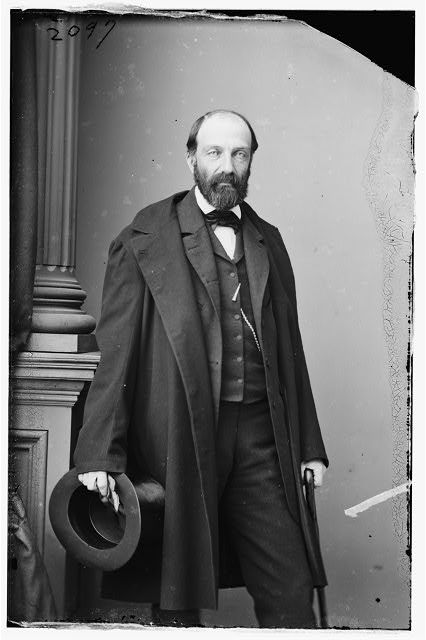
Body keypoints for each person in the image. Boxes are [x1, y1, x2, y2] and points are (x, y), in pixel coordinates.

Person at [74, 109, 329, 628]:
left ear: (251, 161)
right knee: (175, 597)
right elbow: (115, 355)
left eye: (239, 154)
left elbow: (291, 352)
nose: (227, 165)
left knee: (290, 592)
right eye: (214, 152)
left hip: (259, 436)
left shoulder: (269, 241)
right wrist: (99, 453)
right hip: (179, 437)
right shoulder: (144, 237)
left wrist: (308, 447)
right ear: (191, 158)